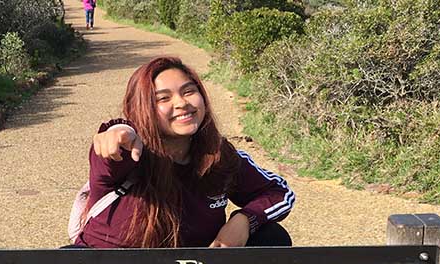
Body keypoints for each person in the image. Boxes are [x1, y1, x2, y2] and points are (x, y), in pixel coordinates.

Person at [74, 56, 294, 249]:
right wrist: (116, 133)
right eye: (163, 98)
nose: (181, 103)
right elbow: (112, 145)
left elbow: (279, 192)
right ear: (141, 108)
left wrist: (245, 220)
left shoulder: (218, 155)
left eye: (189, 91)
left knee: (272, 237)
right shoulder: (127, 152)